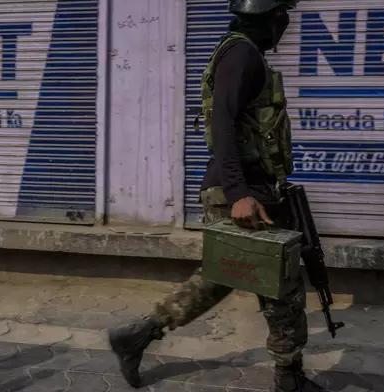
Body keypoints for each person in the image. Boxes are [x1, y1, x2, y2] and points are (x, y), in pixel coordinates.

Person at [108, 1, 326, 391]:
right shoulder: (242, 54)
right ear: (272, 17)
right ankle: (289, 377)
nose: (287, 23)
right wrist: (240, 193)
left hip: (247, 188)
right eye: (283, 15)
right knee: (282, 284)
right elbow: (223, 125)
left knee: (223, 277)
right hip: (244, 192)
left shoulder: (239, 50)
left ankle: (137, 335)